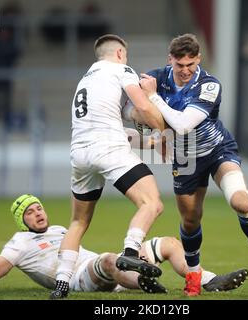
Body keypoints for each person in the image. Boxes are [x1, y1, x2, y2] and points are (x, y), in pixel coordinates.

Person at [132, 34, 248, 296]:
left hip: (217, 151)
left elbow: (182, 124)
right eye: (180, 65)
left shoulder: (209, 85)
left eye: (191, 64)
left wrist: (154, 99)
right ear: (170, 60)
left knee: (240, 202)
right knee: (190, 220)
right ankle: (193, 274)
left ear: (199, 59)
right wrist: (154, 130)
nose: (186, 71)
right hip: (186, 159)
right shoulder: (155, 77)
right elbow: (132, 105)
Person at [51, 34, 169, 299]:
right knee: (152, 203)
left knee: (78, 221)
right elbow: (142, 106)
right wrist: (165, 131)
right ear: (119, 54)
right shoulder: (121, 70)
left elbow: (121, 121)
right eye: (125, 56)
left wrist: (150, 142)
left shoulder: (86, 80)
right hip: (109, 149)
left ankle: (61, 283)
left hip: (80, 154)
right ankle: (129, 252)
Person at [0, 194, 248, 294]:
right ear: (21, 220)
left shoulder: (60, 228)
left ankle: (207, 280)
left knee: (169, 243)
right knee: (110, 259)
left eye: (39, 208)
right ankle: (143, 283)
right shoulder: (19, 243)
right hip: (79, 280)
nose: (38, 213)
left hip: (107, 272)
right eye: (30, 212)